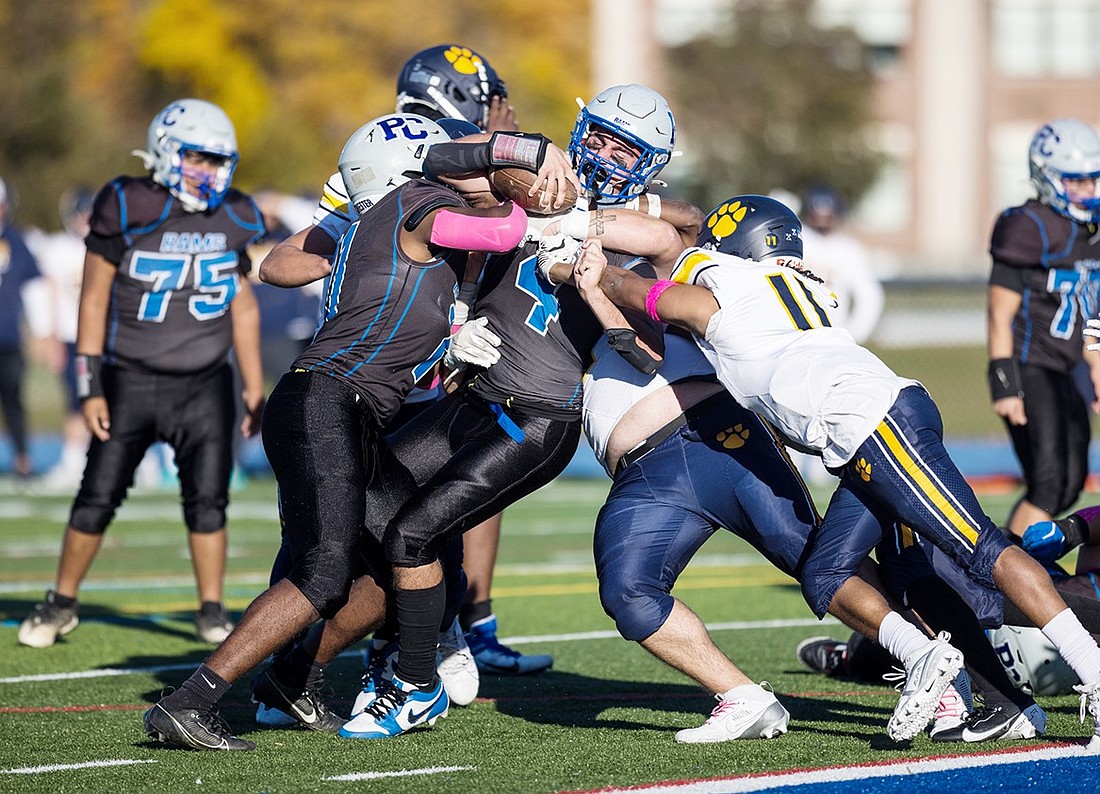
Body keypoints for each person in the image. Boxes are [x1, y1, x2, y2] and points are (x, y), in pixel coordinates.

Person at [583, 193, 1100, 747]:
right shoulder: (796, 285)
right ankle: (986, 692)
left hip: (876, 425)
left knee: (982, 552)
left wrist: (595, 275)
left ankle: (1091, 666)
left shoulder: (728, 294)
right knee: (833, 573)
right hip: (863, 434)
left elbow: (653, 294)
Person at [143, 113, 554, 751]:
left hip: (348, 408)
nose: (459, 169)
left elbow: (402, 320)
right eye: (445, 159)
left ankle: (287, 684)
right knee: (322, 573)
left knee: (410, 552)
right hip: (325, 403)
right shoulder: (413, 202)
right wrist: (530, 182)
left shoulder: (382, 221)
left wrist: (451, 340)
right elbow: (501, 232)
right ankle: (190, 702)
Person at [261, 43, 549, 678]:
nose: (501, 111)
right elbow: (281, 262)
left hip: (440, 368)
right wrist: (371, 261)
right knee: (332, 534)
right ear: (462, 93)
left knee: (450, 508)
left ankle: (450, 630)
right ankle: (300, 662)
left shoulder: (459, 157)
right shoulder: (398, 154)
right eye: (491, 97)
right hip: (372, 374)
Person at [16, 99, 267, 649]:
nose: (210, 171)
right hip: (130, 376)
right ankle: (60, 603)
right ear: (166, 152)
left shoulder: (236, 214)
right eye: (199, 158)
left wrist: (252, 383)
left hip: (205, 382)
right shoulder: (127, 202)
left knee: (208, 501)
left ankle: (210, 609)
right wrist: (90, 384)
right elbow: (94, 300)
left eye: (218, 160)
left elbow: (243, 305)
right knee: (96, 496)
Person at [987, 118, 1100, 541]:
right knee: (1049, 483)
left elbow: (1090, 307)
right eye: (1078, 182)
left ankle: (1018, 565)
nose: (1089, 191)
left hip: (1067, 366)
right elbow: (999, 312)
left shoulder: (1089, 232)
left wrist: (1094, 362)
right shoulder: (1027, 225)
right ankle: (1000, 575)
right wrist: (1004, 382)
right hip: (1029, 364)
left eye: (1093, 180)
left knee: (1071, 483)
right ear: (1048, 177)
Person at [24, 189, 95, 490]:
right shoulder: (60, 249)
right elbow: (48, 292)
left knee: (116, 398)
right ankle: (74, 458)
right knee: (77, 399)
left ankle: (141, 461)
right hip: (72, 335)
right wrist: (48, 335)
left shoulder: (109, 245)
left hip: (105, 336)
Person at [799, 186, 883, 346]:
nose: (822, 220)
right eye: (817, 214)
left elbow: (869, 296)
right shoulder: (798, 240)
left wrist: (855, 334)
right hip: (796, 334)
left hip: (833, 334)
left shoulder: (849, 249)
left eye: (827, 215)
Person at [0, 177, 42, 480]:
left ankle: (23, 458)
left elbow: (35, 285)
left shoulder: (15, 240)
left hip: (9, 337)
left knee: (14, 399)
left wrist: (39, 331)